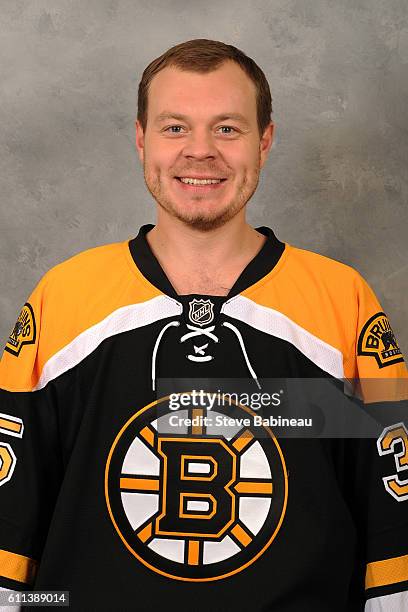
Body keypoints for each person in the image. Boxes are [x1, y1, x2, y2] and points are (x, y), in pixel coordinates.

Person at [0, 38, 407, 612]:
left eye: (227, 129)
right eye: (174, 128)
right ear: (141, 139)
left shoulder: (345, 301)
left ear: (264, 141)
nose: (200, 152)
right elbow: (11, 522)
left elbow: (394, 521)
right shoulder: (64, 297)